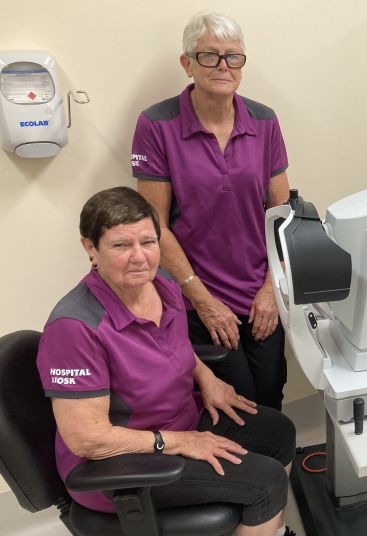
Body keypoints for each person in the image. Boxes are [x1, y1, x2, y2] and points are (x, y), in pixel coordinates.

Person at [36, 188, 314, 536]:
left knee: (279, 431)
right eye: (121, 244)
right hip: (121, 466)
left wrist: (207, 378)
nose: (139, 256)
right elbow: (87, 439)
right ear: (90, 248)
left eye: (148, 241)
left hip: (181, 423)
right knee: (265, 481)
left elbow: (177, 343)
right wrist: (179, 443)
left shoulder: (162, 286)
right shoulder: (75, 328)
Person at [131, 11, 289, 411]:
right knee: (236, 404)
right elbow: (155, 226)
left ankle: (275, 473)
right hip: (198, 297)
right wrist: (203, 301)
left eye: (233, 57)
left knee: (271, 395)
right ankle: (249, 473)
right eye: (209, 56)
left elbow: (281, 213)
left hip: (260, 293)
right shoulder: (156, 124)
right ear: (187, 63)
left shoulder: (264, 120)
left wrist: (272, 290)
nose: (223, 66)